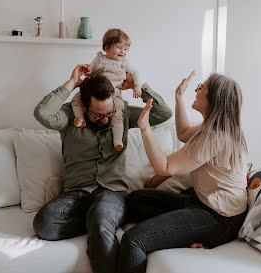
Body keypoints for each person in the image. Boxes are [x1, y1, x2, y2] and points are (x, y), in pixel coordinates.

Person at [32, 64, 172, 273]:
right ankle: (110, 218)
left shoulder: (121, 113)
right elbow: (42, 113)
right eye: (98, 116)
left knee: (101, 221)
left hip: (111, 192)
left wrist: (138, 86)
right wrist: (71, 83)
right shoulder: (70, 115)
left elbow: (163, 113)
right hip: (75, 193)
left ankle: (105, 219)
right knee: (44, 223)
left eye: (109, 113)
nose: (106, 119)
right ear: (83, 105)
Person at [117, 71, 248, 273]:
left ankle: (183, 234)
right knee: (136, 199)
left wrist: (145, 128)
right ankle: (177, 233)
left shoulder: (214, 136)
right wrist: (179, 96)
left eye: (200, 88)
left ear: (213, 98)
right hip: (202, 202)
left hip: (219, 219)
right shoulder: (216, 127)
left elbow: (165, 167)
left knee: (133, 240)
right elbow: (184, 133)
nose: (196, 91)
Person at [71, 29, 141, 151]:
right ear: (107, 47)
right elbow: (90, 70)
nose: (123, 52)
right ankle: (79, 118)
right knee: (76, 99)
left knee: (118, 113)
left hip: (114, 94)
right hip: (95, 91)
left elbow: (136, 72)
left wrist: (137, 86)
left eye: (126, 49)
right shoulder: (99, 59)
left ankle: (118, 140)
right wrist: (87, 71)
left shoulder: (124, 63)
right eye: (119, 48)